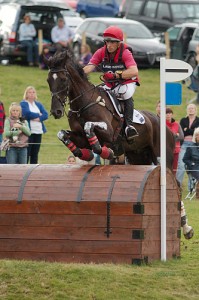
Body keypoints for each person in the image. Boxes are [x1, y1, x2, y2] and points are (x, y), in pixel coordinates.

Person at [83, 26, 139, 141]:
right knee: (98, 94)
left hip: (127, 82)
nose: (109, 45)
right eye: (107, 42)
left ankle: (129, 126)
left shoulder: (125, 53)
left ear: (119, 43)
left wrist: (116, 75)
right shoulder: (101, 52)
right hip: (110, 84)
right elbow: (90, 67)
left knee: (124, 93)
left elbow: (134, 71)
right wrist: (76, 73)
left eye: (112, 42)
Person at [20, 86, 48, 164]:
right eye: (30, 92)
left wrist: (39, 119)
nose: (32, 94)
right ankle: (25, 169)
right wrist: (38, 114)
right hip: (29, 132)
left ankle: (33, 170)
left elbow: (45, 114)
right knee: (27, 152)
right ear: (26, 94)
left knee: (35, 153)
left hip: (38, 131)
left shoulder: (38, 104)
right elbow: (26, 114)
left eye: (33, 92)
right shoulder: (23, 103)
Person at [176, 103, 199, 186]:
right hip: (184, 144)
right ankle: (178, 185)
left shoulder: (198, 120)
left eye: (192, 108)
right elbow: (182, 133)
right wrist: (192, 130)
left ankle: (192, 187)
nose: (191, 109)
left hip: (194, 145)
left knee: (193, 165)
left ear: (195, 110)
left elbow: (196, 133)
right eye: (189, 108)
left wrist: (187, 130)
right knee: (181, 165)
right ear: (187, 110)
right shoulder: (183, 120)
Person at [166, 107, 184, 175]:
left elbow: (181, 137)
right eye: (166, 113)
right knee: (167, 167)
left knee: (174, 168)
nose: (168, 115)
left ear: (172, 114)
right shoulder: (162, 124)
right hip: (166, 150)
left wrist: (171, 137)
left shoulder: (177, 124)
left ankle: (173, 182)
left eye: (169, 113)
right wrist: (175, 135)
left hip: (176, 149)